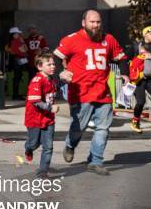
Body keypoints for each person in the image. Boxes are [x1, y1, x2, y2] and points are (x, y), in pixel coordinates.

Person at [54, 10, 129, 176]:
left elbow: (122, 58)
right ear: (83, 23)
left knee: (103, 128)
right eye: (92, 22)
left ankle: (95, 161)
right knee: (78, 128)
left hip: (103, 93)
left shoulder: (109, 39)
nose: (95, 25)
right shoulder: (72, 39)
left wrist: (124, 74)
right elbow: (56, 58)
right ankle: (70, 144)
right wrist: (61, 72)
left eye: (98, 22)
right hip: (80, 93)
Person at [24, 52, 59, 178]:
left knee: (48, 146)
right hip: (34, 119)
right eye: (49, 64)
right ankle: (28, 148)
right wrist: (50, 108)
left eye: (53, 64)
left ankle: (43, 171)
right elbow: (36, 102)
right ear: (40, 66)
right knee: (34, 144)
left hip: (49, 119)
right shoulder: (37, 81)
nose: (53, 66)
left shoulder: (52, 80)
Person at [7, 27, 29, 100]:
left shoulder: (13, 41)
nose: (19, 35)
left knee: (18, 77)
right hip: (18, 60)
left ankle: (16, 94)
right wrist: (22, 42)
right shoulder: (16, 41)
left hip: (17, 60)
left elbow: (25, 50)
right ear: (13, 34)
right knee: (17, 77)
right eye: (17, 34)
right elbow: (24, 50)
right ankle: (15, 95)